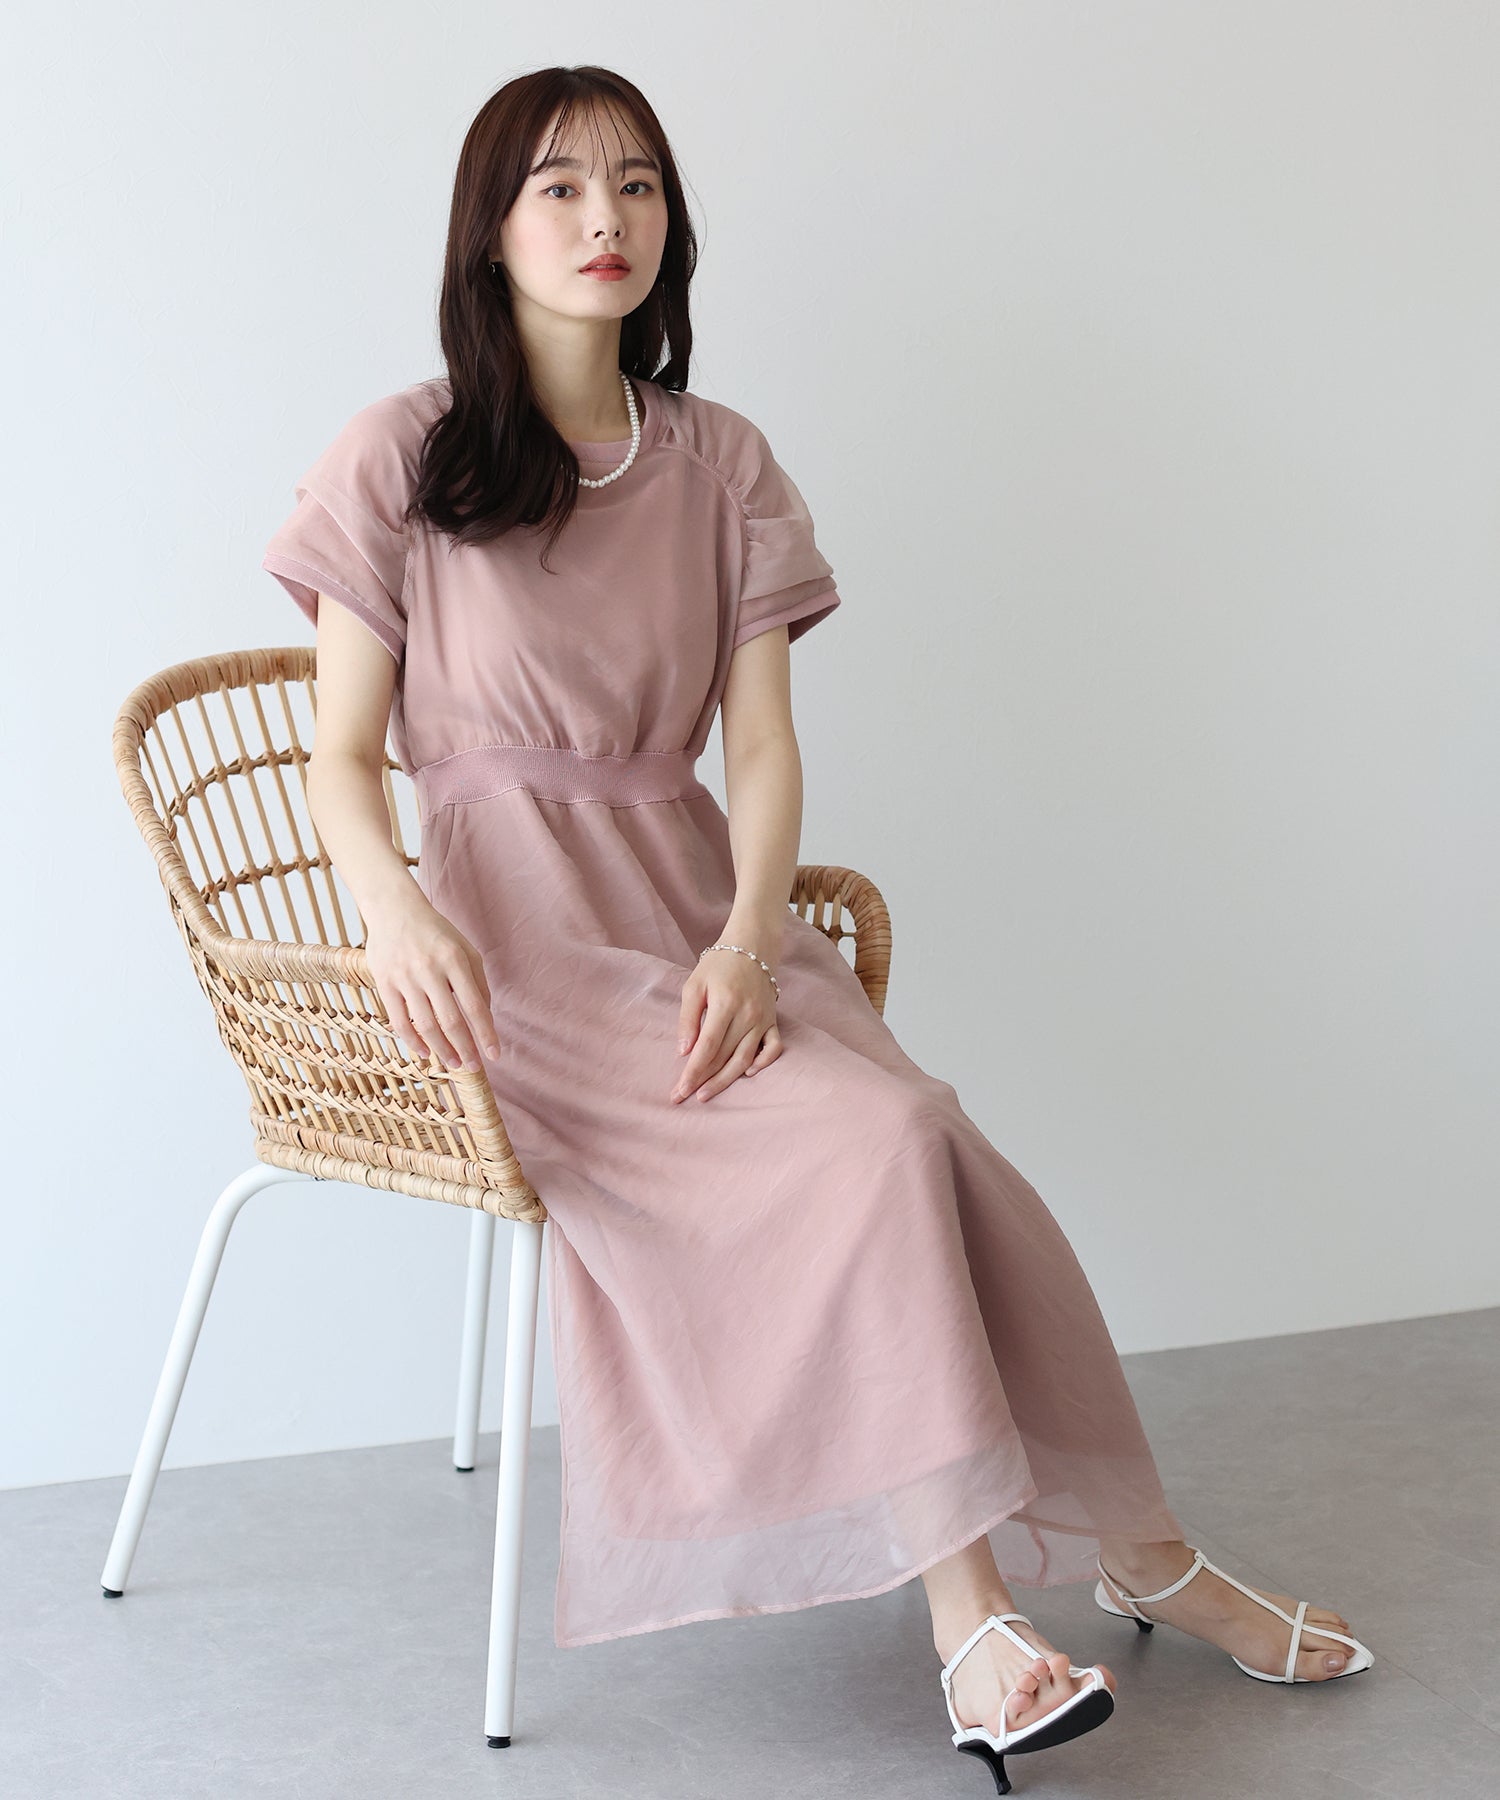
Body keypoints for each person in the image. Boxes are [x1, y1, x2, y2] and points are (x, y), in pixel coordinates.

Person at [261, 64, 1371, 1789]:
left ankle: (1136, 1554)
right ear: (490, 231)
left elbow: (765, 752)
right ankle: (982, 1622)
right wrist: (394, 912)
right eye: (560, 187)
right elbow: (341, 754)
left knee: (924, 1129)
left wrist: (741, 943)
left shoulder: (721, 460)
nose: (606, 219)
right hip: (517, 953)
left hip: (700, 914)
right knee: (870, 1143)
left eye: (637, 185)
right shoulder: (401, 453)